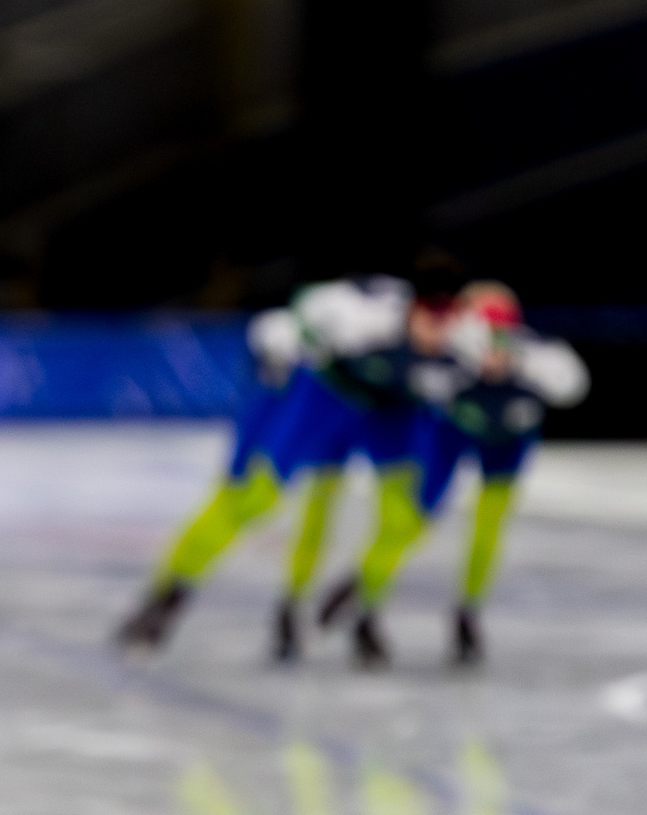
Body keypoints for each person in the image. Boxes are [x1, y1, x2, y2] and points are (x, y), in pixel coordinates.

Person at [115, 256, 466, 661]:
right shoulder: (359, 319)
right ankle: (169, 594)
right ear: (413, 308)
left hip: (386, 409)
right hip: (324, 396)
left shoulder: (460, 342)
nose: (439, 330)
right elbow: (291, 322)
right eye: (432, 316)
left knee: (412, 513)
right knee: (260, 497)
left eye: (449, 318)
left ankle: (360, 600)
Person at [308, 282, 588, 667]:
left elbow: (572, 385)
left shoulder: (542, 360)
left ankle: (467, 615)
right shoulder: (446, 360)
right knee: (411, 522)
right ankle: (367, 599)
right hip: (450, 435)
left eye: (504, 334)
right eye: (486, 334)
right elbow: (392, 376)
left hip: (505, 447)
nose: (495, 350)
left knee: (487, 529)